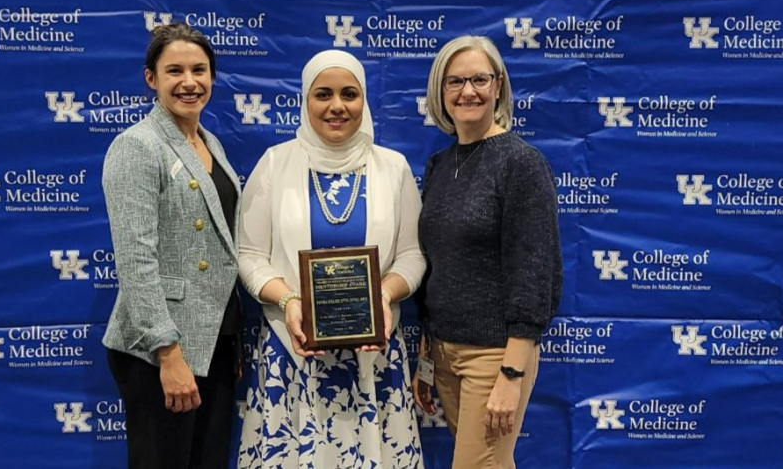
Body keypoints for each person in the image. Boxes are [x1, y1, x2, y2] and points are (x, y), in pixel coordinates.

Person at [237, 50, 426, 469]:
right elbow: (249, 256)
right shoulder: (274, 163)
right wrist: (289, 302)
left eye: (349, 94)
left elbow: (412, 255)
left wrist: (382, 295)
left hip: (374, 358)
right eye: (323, 94)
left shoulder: (392, 168)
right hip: (293, 354)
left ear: (364, 102)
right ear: (305, 100)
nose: (337, 106)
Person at [413, 36, 562, 469]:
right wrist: (427, 354)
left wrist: (511, 375)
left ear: (499, 85)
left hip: (495, 357)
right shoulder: (439, 165)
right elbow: (440, 263)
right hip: (444, 352)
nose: (468, 91)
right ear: (440, 92)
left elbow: (535, 273)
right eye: (455, 81)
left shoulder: (521, 163)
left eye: (480, 79)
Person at [101, 23, 243, 469]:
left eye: (199, 70)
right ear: (151, 78)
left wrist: (229, 342)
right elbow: (135, 260)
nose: (189, 82)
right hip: (161, 348)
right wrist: (168, 353)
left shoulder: (210, 142)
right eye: (174, 70)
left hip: (214, 338)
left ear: (212, 77)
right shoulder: (136, 147)